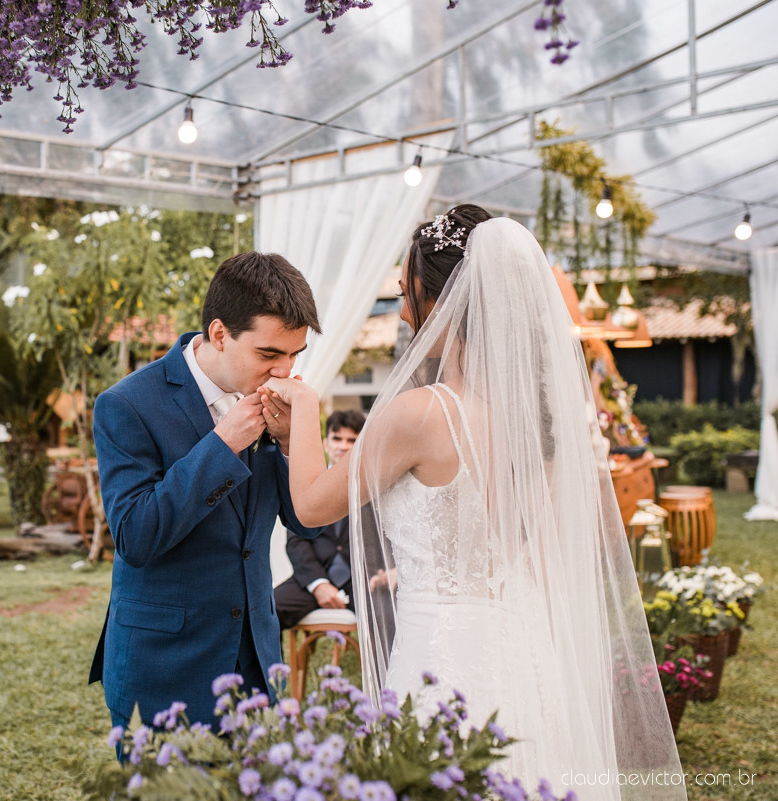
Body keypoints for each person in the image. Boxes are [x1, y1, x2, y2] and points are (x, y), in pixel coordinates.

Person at [262, 206, 685, 798]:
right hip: (524, 650)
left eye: (407, 294)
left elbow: (309, 505)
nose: (404, 313)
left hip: (440, 655)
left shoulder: (419, 415)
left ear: (444, 301)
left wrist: (305, 410)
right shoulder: (531, 422)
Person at [90, 251, 323, 733]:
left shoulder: (275, 399)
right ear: (220, 334)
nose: (284, 371)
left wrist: (287, 442)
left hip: (255, 660)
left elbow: (306, 521)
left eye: (294, 355)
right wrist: (222, 445)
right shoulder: (125, 405)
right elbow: (136, 537)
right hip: (165, 663)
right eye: (269, 355)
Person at [273, 409, 365, 629]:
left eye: (352, 440)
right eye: (337, 439)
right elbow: (296, 541)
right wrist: (319, 584)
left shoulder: (374, 487)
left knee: (391, 616)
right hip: (313, 579)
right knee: (267, 610)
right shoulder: (309, 483)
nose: (343, 446)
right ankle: (277, 666)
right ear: (326, 443)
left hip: (362, 584)